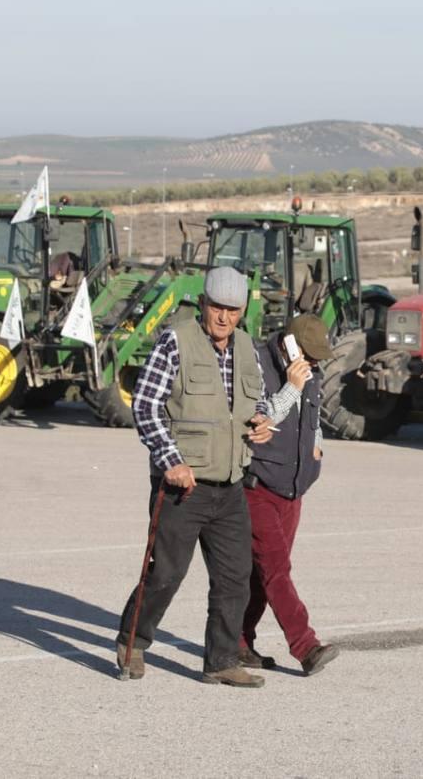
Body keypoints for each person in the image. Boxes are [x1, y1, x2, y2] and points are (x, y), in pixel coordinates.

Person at [116, 266, 274, 688]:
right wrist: (171, 460)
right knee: (166, 574)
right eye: (217, 307)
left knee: (235, 577)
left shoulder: (247, 347)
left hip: (231, 485)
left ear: (243, 311)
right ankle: (133, 641)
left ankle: (220, 660)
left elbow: (256, 400)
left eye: (233, 310)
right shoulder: (174, 341)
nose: (224, 317)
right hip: (183, 488)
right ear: (203, 303)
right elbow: (146, 407)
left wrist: (261, 420)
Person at [239, 314, 340, 677]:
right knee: (277, 571)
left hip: (294, 489)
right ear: (289, 344)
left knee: (262, 576)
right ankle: (305, 646)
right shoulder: (255, 364)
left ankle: (237, 641)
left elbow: (312, 421)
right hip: (259, 486)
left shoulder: (310, 373)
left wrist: (317, 450)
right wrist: (292, 387)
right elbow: (258, 419)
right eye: (308, 355)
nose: (313, 363)